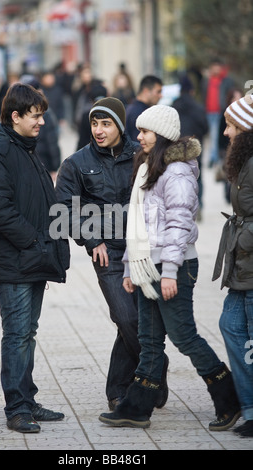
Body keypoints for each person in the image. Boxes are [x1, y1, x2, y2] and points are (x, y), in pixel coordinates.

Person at [99, 104, 240, 431]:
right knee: (149, 339)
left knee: (184, 336)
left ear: (160, 135)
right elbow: (139, 226)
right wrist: (129, 269)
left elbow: (178, 225)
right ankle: (136, 407)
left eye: (145, 131)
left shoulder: (175, 172)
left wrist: (170, 272)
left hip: (173, 265)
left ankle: (228, 396)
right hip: (149, 265)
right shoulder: (151, 167)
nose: (138, 137)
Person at [0, 83, 70, 433]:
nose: (41, 122)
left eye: (41, 116)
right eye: (35, 116)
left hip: (30, 257)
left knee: (27, 332)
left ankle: (27, 399)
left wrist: (46, 248)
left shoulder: (23, 148)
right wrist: (35, 243)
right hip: (14, 259)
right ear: (15, 116)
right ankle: (17, 408)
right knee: (17, 333)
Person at [55, 97, 169, 411]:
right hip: (107, 254)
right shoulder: (77, 163)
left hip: (141, 250)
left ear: (119, 125)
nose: (99, 130)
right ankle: (154, 369)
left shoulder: (141, 154)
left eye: (105, 124)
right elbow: (65, 208)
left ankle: (125, 386)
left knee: (139, 320)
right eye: (94, 123)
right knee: (126, 316)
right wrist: (93, 240)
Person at [212, 93, 253, 438]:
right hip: (244, 263)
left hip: (251, 262)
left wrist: (245, 238)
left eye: (231, 125)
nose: (226, 132)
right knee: (230, 325)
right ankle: (249, 406)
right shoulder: (246, 159)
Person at [172, 74, 209, 220]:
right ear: (192, 91)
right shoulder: (198, 107)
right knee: (198, 177)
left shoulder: (174, 106)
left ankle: (182, 207)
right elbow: (205, 128)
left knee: (178, 177)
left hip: (177, 146)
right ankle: (197, 205)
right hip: (195, 145)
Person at [202, 59, 234, 167]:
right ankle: (214, 156)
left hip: (220, 112)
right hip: (209, 111)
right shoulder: (207, 81)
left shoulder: (225, 80)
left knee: (215, 135)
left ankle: (214, 158)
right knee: (212, 135)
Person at [125, 75, 163, 141]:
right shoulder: (139, 112)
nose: (161, 96)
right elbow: (139, 143)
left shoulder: (132, 107)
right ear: (146, 91)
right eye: (158, 92)